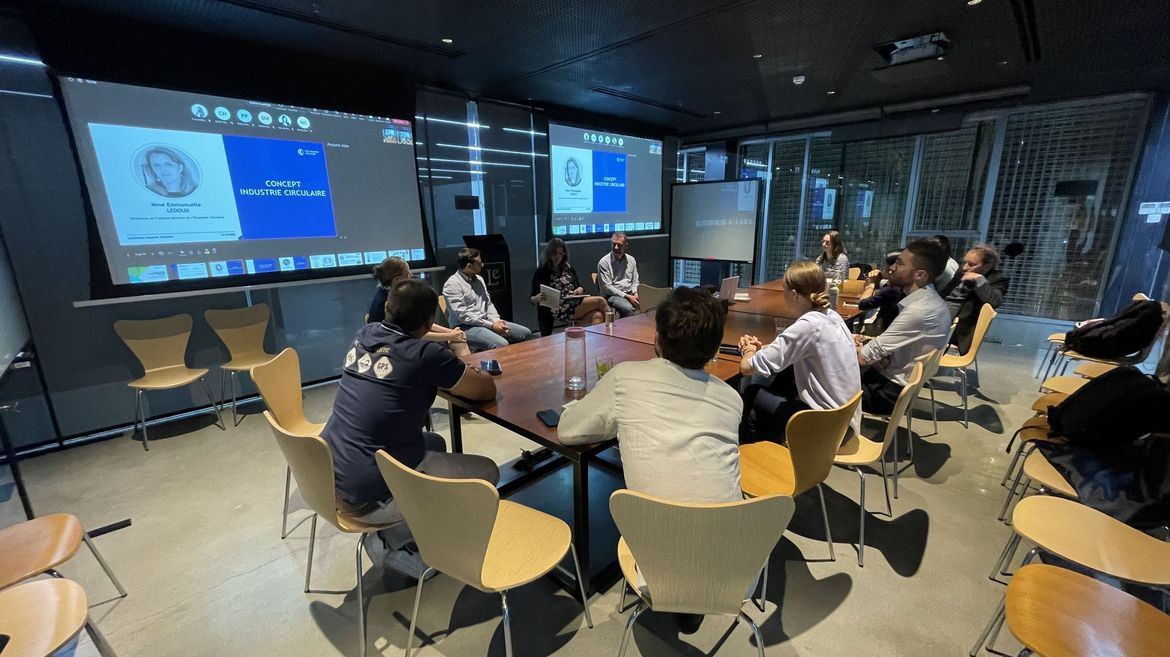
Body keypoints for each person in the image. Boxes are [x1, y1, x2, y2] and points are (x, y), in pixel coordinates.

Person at [559, 285, 741, 635]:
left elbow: (569, 431)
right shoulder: (732, 400)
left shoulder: (626, 377)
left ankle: (679, 594)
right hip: (734, 562)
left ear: (658, 339)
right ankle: (691, 602)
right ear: (715, 347)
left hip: (655, 557)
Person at [322, 279, 500, 578]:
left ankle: (408, 531)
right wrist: (465, 363)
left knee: (434, 442)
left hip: (328, 475)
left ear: (387, 308)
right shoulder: (425, 355)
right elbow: (484, 390)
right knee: (488, 472)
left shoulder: (364, 334)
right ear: (430, 321)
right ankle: (395, 541)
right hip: (367, 497)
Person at [738, 261, 862, 442]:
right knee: (781, 384)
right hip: (846, 421)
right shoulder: (832, 316)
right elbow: (793, 348)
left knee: (752, 392)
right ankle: (770, 453)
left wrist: (748, 350)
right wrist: (761, 348)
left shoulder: (808, 325)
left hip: (828, 428)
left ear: (794, 295)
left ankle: (755, 454)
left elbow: (746, 368)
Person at [856, 240, 951, 415]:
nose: (892, 268)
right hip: (897, 383)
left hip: (888, 393)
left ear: (919, 275)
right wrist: (874, 357)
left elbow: (863, 358)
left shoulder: (918, 311)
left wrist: (852, 347)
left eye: (899, 264)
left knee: (814, 379)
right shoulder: (931, 301)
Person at [367, 256, 469, 354]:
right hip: (392, 349)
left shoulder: (393, 293)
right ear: (397, 280)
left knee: (458, 342)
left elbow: (419, 324)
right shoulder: (389, 302)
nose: (411, 276)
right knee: (453, 345)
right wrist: (451, 336)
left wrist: (451, 332)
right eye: (408, 273)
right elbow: (414, 333)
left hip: (404, 341)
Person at [442, 247, 533, 351]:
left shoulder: (479, 279)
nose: (482, 265)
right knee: (501, 344)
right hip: (465, 327)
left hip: (486, 321)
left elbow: (488, 304)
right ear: (469, 266)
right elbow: (463, 316)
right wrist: (491, 325)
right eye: (479, 263)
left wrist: (496, 321)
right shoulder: (452, 284)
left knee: (525, 333)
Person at [530, 238, 608, 336]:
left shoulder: (567, 268)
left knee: (597, 316)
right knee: (600, 301)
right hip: (560, 308)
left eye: (560, 254)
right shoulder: (542, 272)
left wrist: (580, 289)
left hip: (574, 301)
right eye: (555, 254)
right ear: (549, 254)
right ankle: (613, 330)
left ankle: (594, 341)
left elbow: (578, 286)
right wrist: (536, 298)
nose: (557, 257)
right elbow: (532, 297)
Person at [944, 244, 1009, 354]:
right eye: (965, 262)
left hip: (956, 330)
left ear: (987, 266)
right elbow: (944, 293)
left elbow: (995, 301)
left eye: (971, 264)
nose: (965, 267)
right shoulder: (962, 271)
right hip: (939, 316)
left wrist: (979, 280)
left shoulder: (997, 279)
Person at [857, 250, 906, 334]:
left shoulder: (891, 290)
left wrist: (871, 284)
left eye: (884, 266)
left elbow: (862, 304)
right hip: (891, 329)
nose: (880, 269)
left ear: (892, 269)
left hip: (882, 331)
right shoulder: (899, 286)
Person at [597, 232, 641, 317]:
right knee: (627, 308)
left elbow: (635, 281)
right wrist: (627, 296)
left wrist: (636, 293)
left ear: (626, 246)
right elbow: (607, 288)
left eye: (619, 245)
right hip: (612, 295)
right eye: (614, 244)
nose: (616, 247)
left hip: (630, 293)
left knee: (649, 303)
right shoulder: (604, 262)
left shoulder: (631, 260)